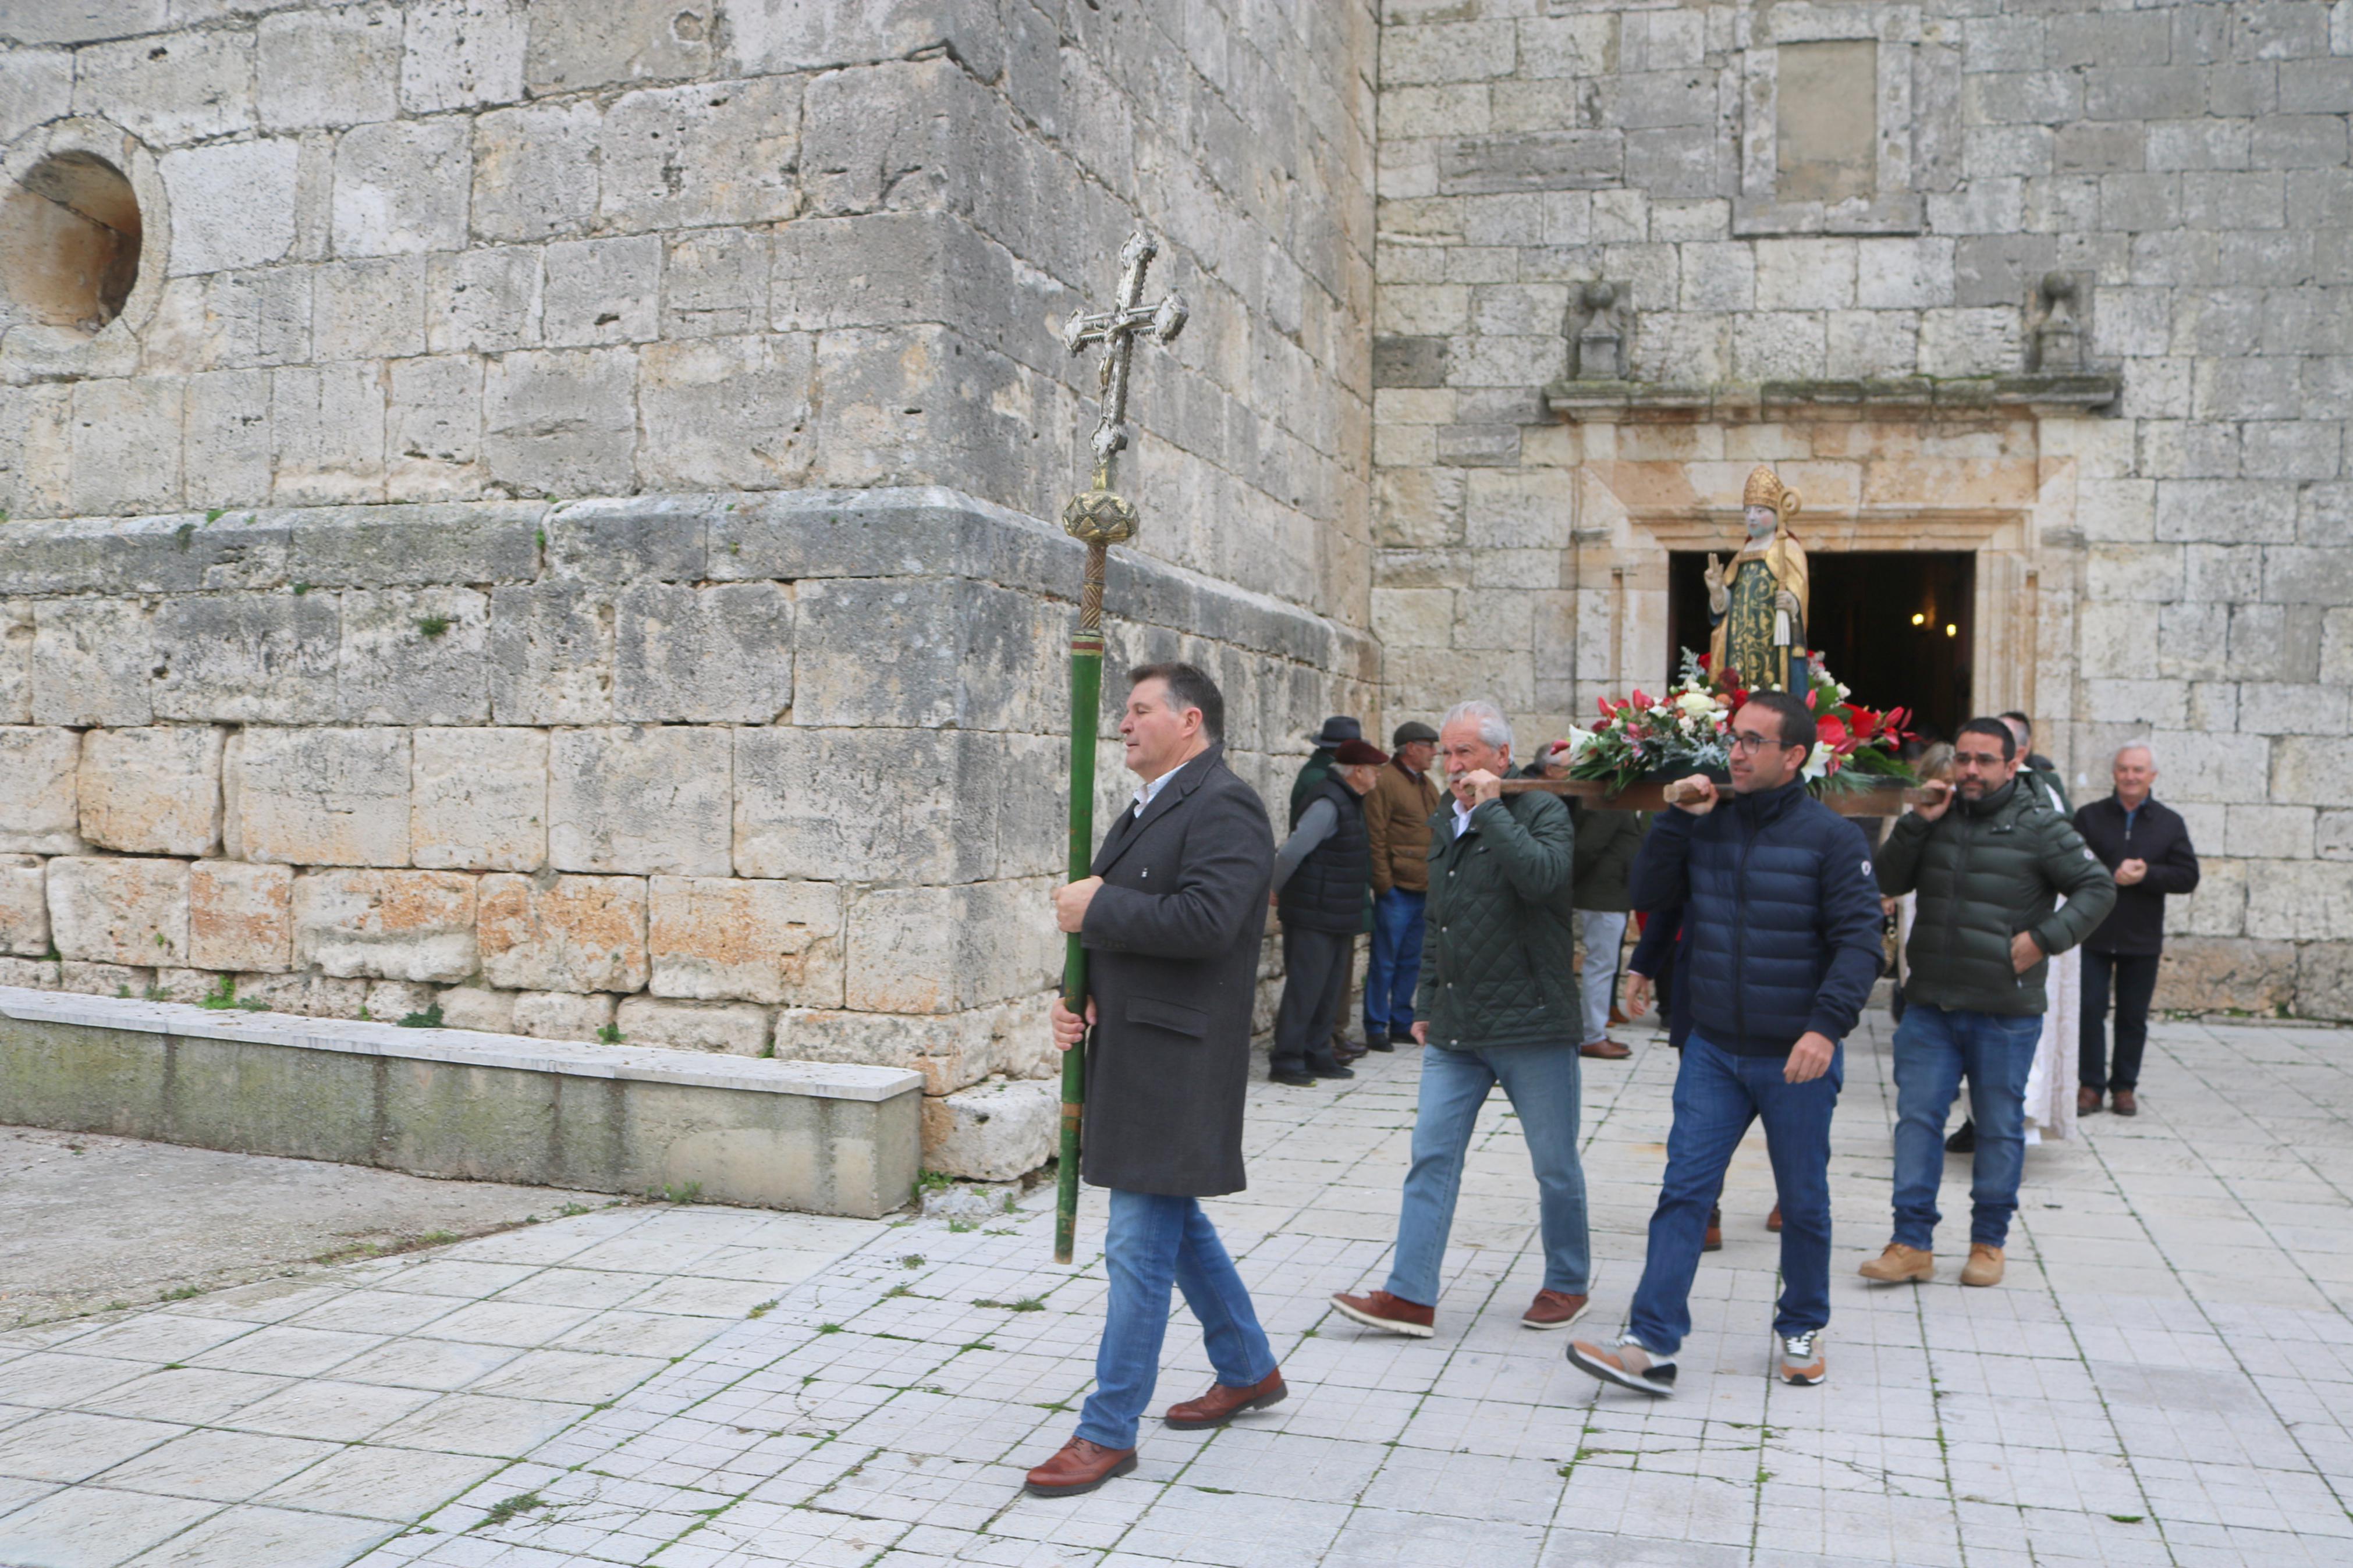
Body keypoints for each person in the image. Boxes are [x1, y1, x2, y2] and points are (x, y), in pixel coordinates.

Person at [1567, 690, 1883, 1396]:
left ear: (1793, 755)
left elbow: (1860, 943)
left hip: (1794, 1054)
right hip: (1711, 1044)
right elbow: (1651, 890)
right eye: (1732, 739)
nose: (1734, 752)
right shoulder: (1707, 822)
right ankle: (1648, 1342)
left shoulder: (1832, 839)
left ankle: (1800, 1324)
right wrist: (1677, 819)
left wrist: (1824, 1027)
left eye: (1751, 742)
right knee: (1683, 1191)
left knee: (1802, 1201)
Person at [1027, 663, 1284, 1498]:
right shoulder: (1148, 805)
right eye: (1125, 712)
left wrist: (1095, 909)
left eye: (1140, 710)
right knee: (1176, 1228)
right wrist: (1084, 997)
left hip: (1178, 1065)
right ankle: (1246, 1365)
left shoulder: (1224, 803)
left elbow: (1209, 921)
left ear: (1190, 718)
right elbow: (1130, 927)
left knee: (1137, 1246)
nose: (1124, 724)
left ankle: (1106, 1429)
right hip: (1133, 1050)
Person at [1329, 699, 1593, 1337]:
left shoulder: (1543, 811)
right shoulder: (1445, 818)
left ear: (1501, 757)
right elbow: (1438, 917)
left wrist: (1492, 808)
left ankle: (1565, 1281)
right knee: (1431, 1157)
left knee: (1553, 1163)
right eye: (1447, 753)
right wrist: (1424, 1001)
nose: (1452, 765)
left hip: (1531, 1021)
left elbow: (1542, 878)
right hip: (1457, 1025)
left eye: (1465, 752)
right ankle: (1410, 1294)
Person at [1860, 719, 2116, 1290]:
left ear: (2009, 766)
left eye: (1983, 760)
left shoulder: (2040, 825)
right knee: (1916, 1122)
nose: (1970, 770)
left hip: (2004, 1009)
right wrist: (1913, 823)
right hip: (1929, 1004)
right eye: (1963, 759)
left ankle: (1988, 1244)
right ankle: (1910, 1243)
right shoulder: (1933, 817)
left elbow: (2096, 888)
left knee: (1999, 1128)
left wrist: (2041, 939)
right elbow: (1885, 879)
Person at [2074, 743, 2199, 1118]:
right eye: (2124, 769)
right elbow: (2068, 862)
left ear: (2152, 777)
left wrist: (2148, 875)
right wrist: (2108, 872)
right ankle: (2090, 1086)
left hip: (2141, 937)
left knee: (2133, 1016)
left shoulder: (2169, 823)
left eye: (2138, 770)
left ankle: (2125, 1088)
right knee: (2089, 1011)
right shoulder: (2089, 817)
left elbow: (2188, 875)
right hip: (2092, 932)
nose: (2130, 776)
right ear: (2113, 773)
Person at [1270, 737, 1390, 1086]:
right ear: (1357, 772)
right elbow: (1292, 852)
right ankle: (1287, 1060)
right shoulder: (1328, 802)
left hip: (1335, 914)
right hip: (1312, 913)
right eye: (1375, 772)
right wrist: (1274, 888)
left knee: (1329, 988)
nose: (1377, 778)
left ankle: (1318, 1054)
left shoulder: (1349, 799)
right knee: (1305, 989)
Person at [1363, 720, 1441, 1053]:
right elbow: (1375, 835)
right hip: (1396, 889)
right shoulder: (1386, 782)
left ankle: (1401, 1020)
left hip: (1423, 887)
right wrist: (1384, 883)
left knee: (1412, 960)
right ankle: (1376, 1024)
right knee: (1385, 960)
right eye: (1430, 746)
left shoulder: (1427, 784)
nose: (1435, 753)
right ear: (1411, 748)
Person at [1294, 716, 1368, 1059]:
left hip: (1333, 894)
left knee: (1331, 978)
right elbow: (1300, 844)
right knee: (1312, 984)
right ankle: (1305, 1049)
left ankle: (1323, 1043)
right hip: (1320, 894)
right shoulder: (1322, 781)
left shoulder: (1322, 776)